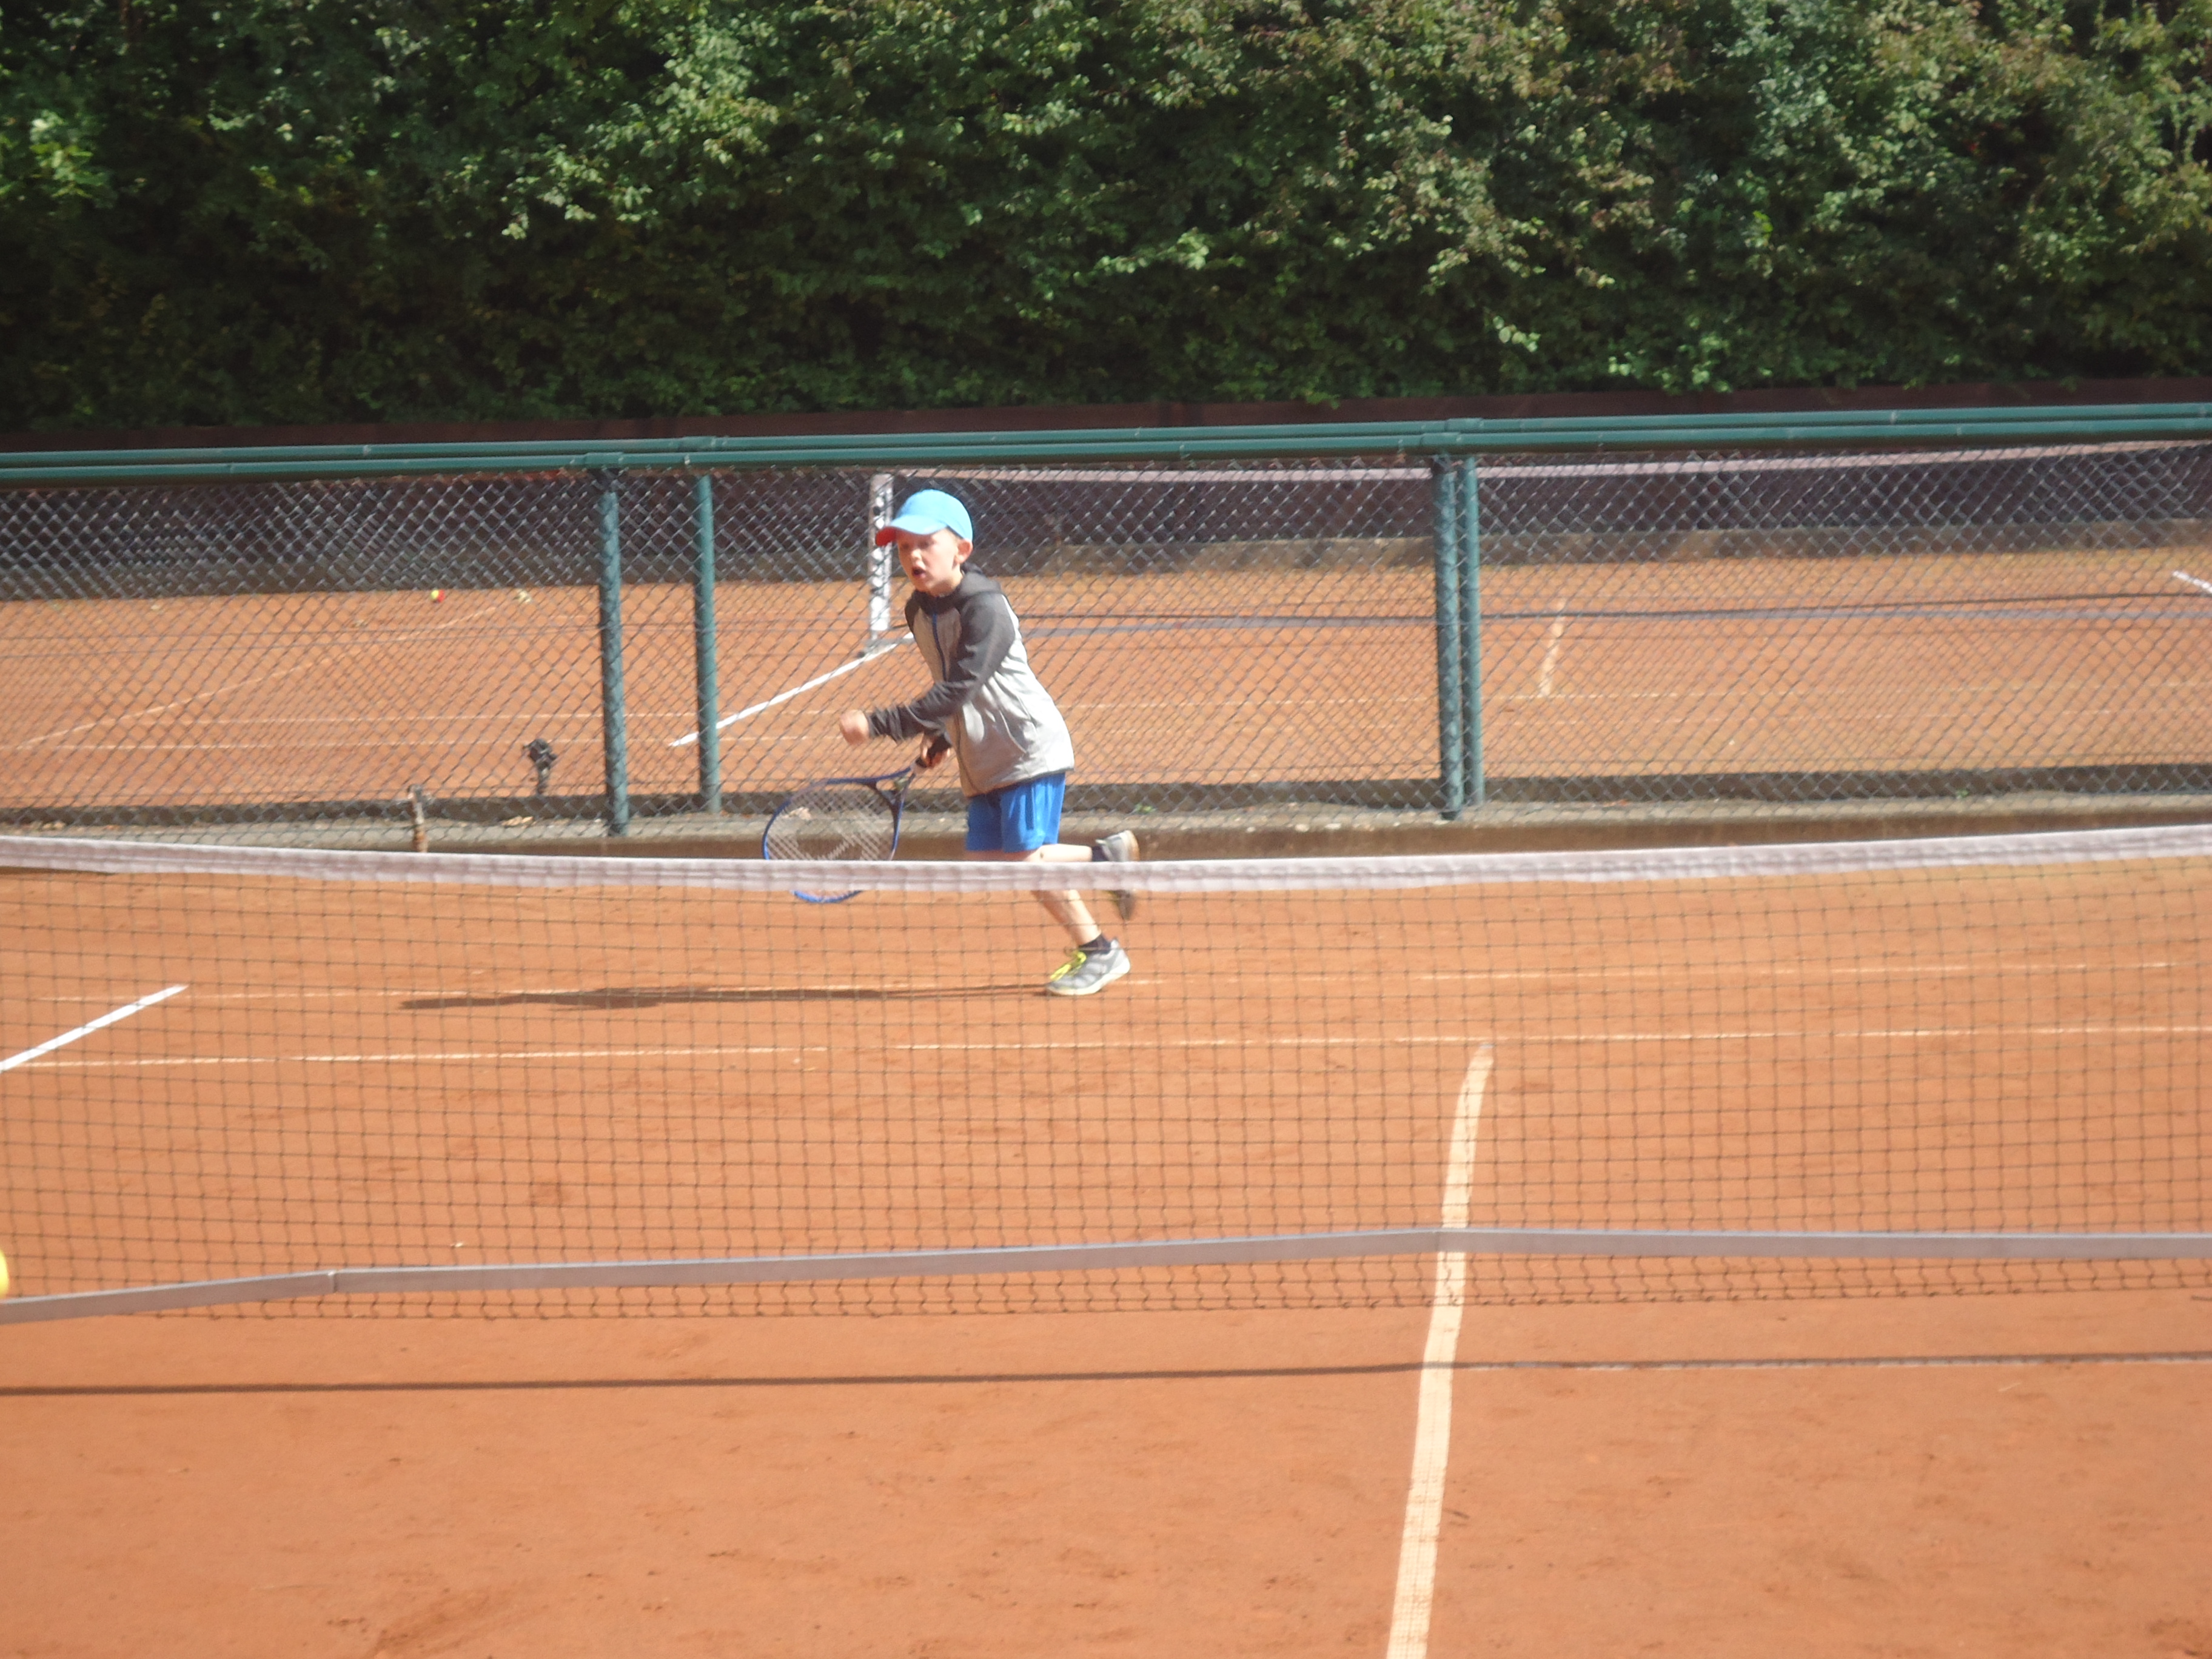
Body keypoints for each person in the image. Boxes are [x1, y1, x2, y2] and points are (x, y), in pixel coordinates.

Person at [839, 489, 1139, 997]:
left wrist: (881, 724)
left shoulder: (986, 606)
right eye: (904, 547)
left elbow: (962, 685)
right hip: (981, 755)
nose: (913, 556)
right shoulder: (918, 610)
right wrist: (940, 736)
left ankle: (1102, 904)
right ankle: (1101, 917)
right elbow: (950, 682)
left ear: (961, 550)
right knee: (990, 863)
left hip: (1024, 746)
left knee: (1022, 859)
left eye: (926, 544)